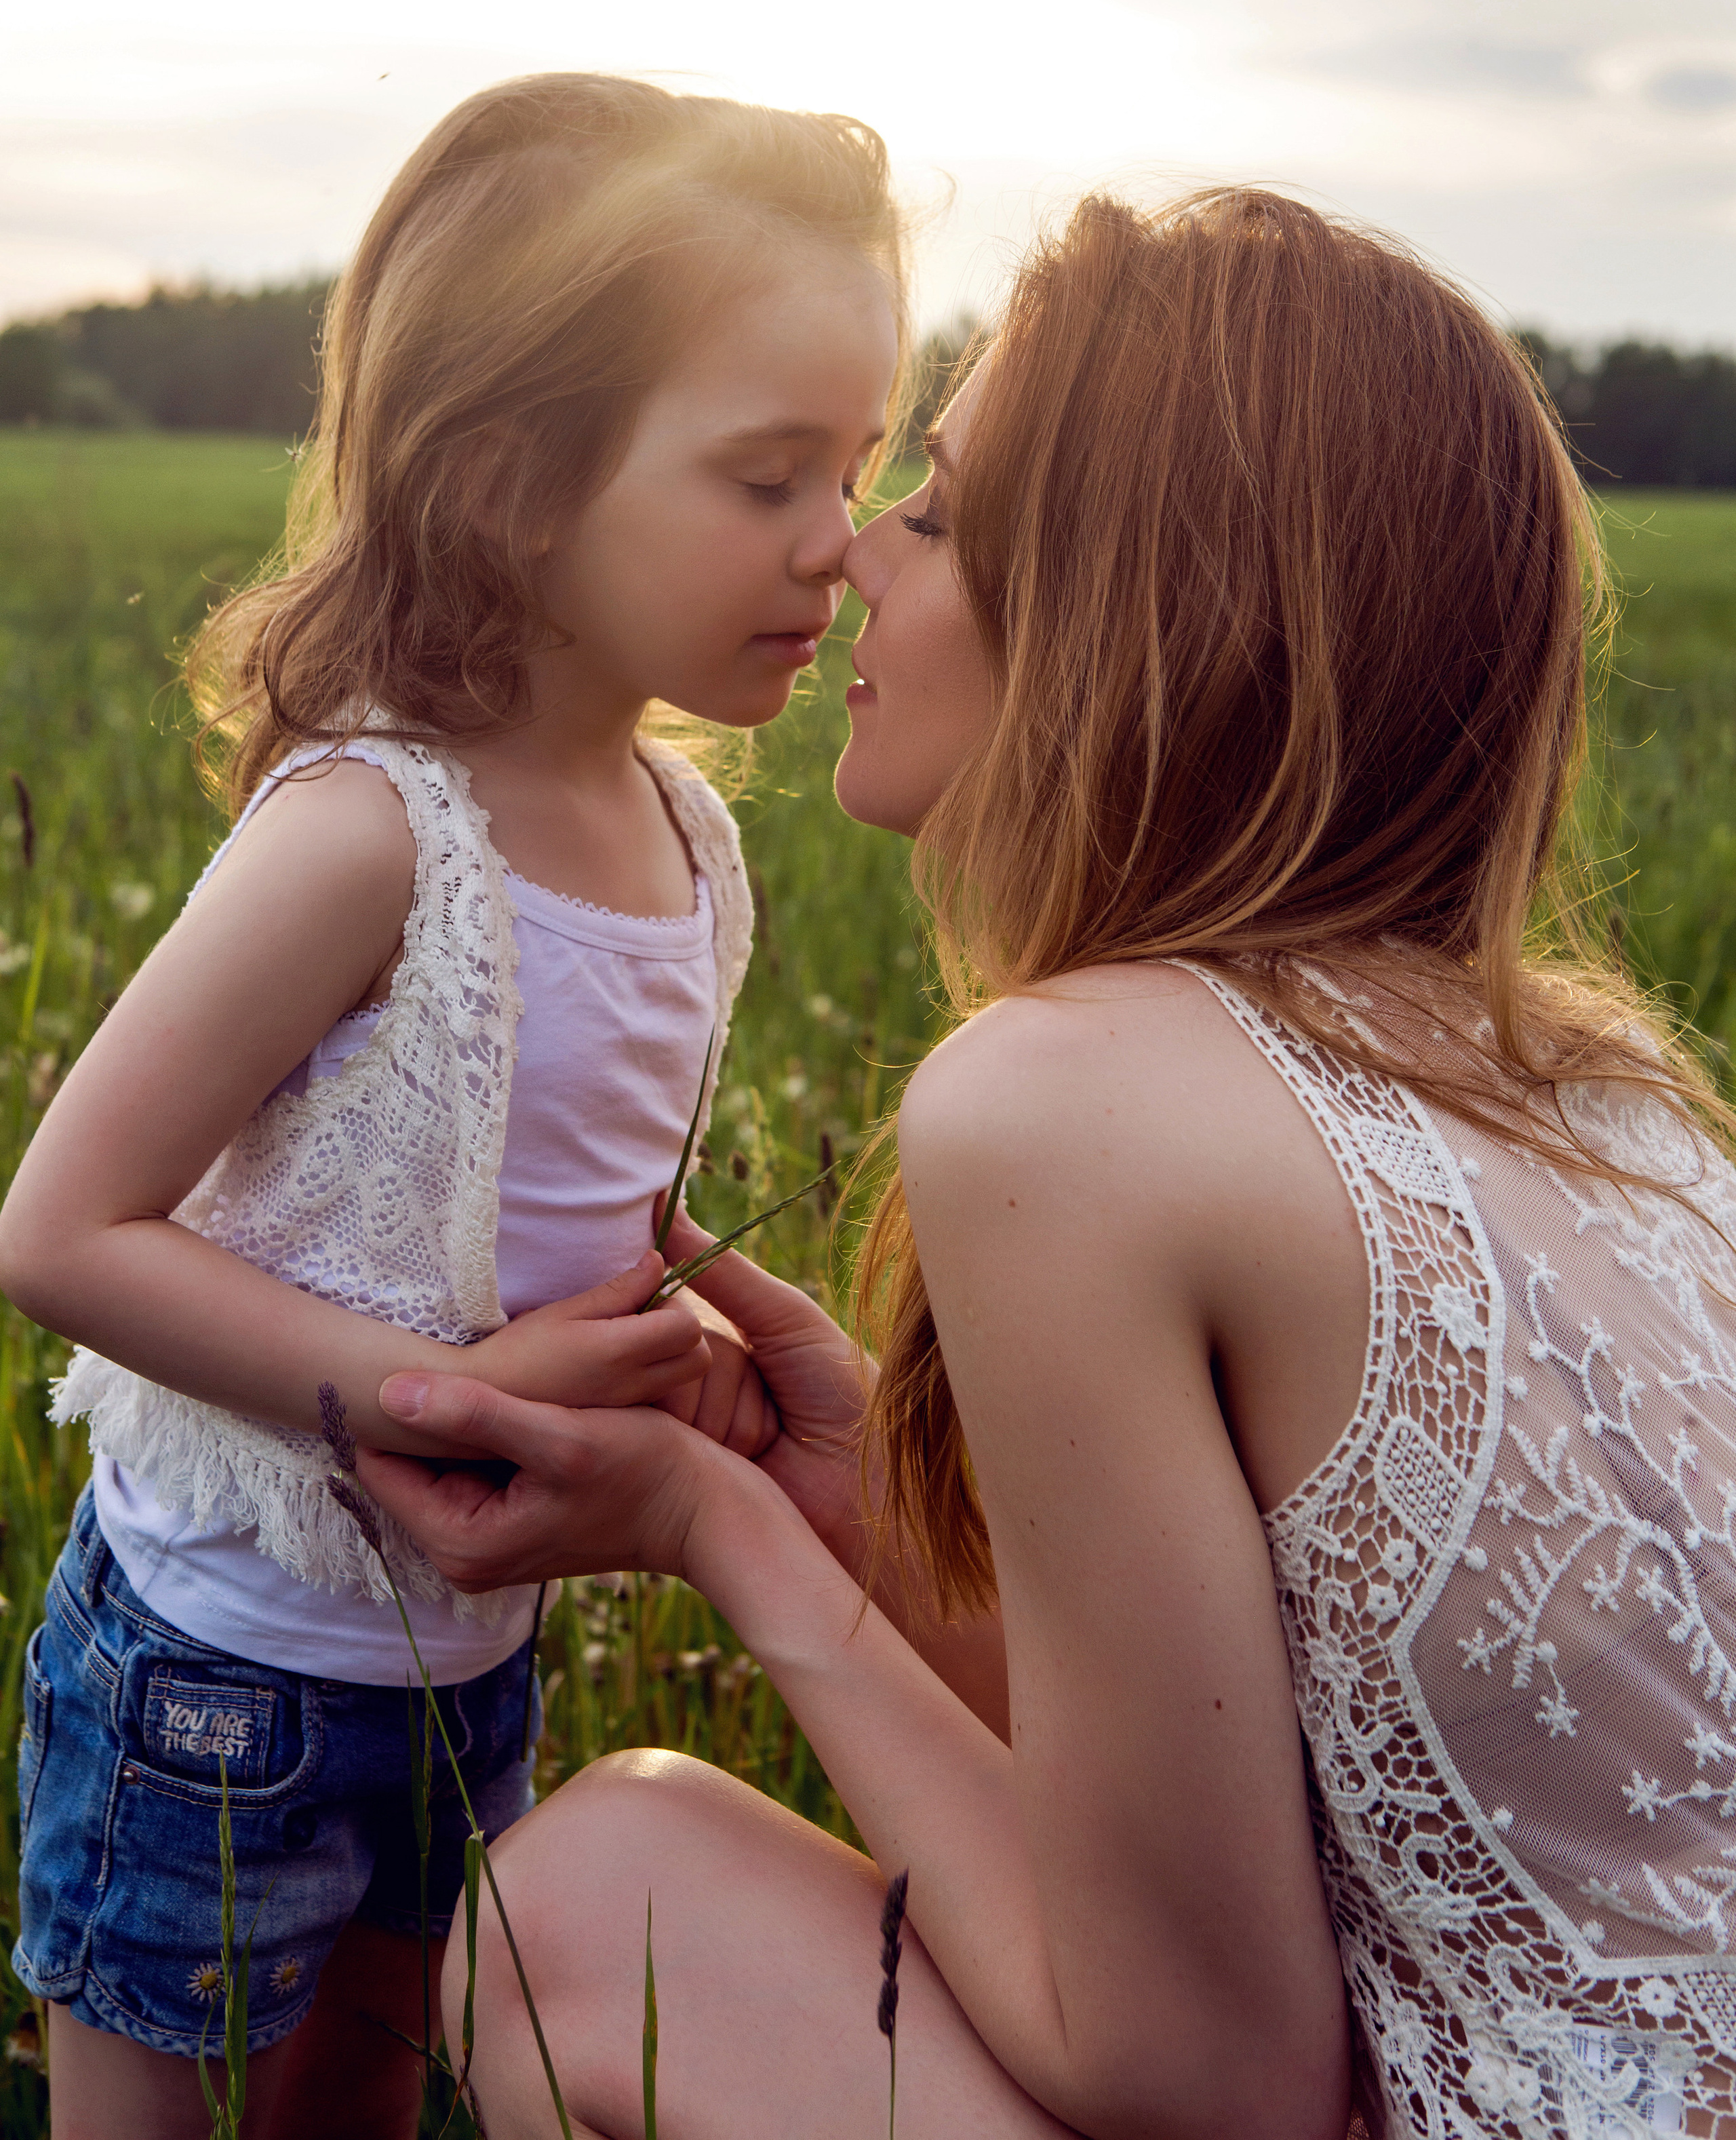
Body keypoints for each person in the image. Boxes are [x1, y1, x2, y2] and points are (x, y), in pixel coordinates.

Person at [365, 188, 1736, 2140]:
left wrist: (715, 1530)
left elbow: (1208, 2074)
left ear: (1134, 604)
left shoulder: (1064, 1101)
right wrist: (853, 1514)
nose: (852, 557)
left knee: (594, 1908)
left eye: (933, 505)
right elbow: (1330, 1788)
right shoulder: (1609, 1093)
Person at [0, 72, 904, 2139]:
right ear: (509, 489)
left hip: (467, 1652)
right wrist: (442, 1394)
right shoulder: (368, 832)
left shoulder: (690, 836)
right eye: (767, 476)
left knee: (371, 2107)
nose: (839, 544)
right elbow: (59, 1231)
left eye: (856, 469)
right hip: (217, 1676)